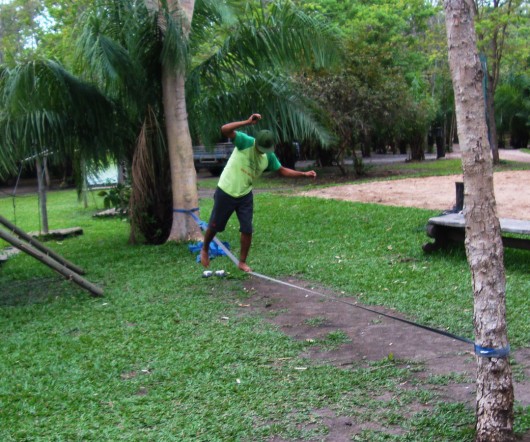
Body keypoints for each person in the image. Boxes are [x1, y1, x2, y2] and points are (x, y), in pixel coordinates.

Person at [200, 113, 316, 272]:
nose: (262, 152)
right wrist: (247, 122)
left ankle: (242, 262)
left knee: (247, 229)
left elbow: (282, 170)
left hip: (245, 194)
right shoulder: (245, 141)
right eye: (260, 149)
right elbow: (224, 129)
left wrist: (303, 174)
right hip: (226, 190)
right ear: (256, 142)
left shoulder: (269, 156)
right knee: (215, 226)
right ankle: (205, 248)